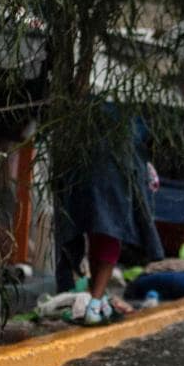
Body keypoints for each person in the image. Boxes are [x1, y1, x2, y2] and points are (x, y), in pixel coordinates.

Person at [54, 108, 164, 324]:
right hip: (112, 169)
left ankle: (97, 300)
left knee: (99, 231)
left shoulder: (95, 111)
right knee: (108, 230)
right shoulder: (124, 113)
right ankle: (97, 301)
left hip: (91, 166)